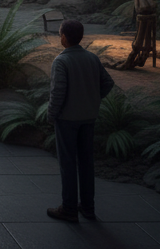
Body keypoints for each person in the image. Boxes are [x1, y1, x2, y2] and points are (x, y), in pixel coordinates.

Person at [46, 18, 115, 222]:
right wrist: (92, 98)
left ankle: (68, 208)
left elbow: (58, 92)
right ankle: (88, 207)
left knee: (68, 164)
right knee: (86, 163)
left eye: (60, 35)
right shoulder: (92, 58)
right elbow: (108, 83)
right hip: (88, 117)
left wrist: (51, 115)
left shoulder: (61, 61)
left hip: (67, 119)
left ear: (64, 37)